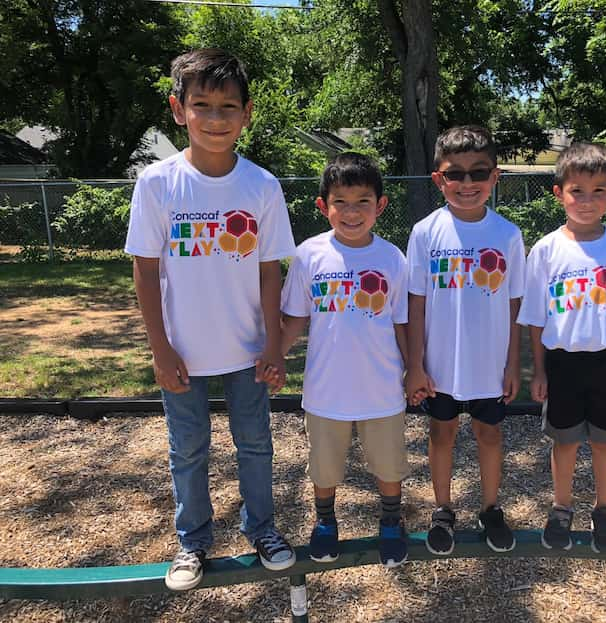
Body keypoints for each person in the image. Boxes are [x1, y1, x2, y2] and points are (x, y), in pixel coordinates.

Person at [125, 48, 297, 591]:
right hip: (183, 351)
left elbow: (271, 272)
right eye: (202, 105)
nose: (216, 118)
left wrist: (273, 343)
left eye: (228, 107)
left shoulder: (262, 187)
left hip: (247, 350)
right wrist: (160, 347)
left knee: (255, 444)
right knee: (188, 448)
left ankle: (263, 529)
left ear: (247, 113)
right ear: (179, 110)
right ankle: (193, 541)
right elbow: (146, 269)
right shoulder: (157, 183)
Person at [518, 142, 606, 555]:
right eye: (576, 190)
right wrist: (539, 370)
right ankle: (561, 507)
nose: (586, 200)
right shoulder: (546, 250)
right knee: (564, 442)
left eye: (598, 190)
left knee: (605, 442)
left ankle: (604, 509)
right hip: (562, 363)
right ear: (558, 193)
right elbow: (537, 317)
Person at [281, 152, 411, 568]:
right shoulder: (308, 255)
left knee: (388, 462)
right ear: (323, 206)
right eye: (341, 202)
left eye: (362, 202)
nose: (351, 212)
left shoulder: (393, 258)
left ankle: (390, 522)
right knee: (324, 464)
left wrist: (416, 370)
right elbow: (296, 316)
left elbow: (403, 322)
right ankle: (325, 523)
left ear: (380, 206)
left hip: (382, 388)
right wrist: (274, 357)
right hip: (325, 389)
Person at [405, 125, 525, 555]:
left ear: (495, 177)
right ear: (439, 179)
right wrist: (415, 365)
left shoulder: (508, 234)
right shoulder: (424, 232)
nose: (467, 184)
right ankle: (442, 509)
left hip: (489, 364)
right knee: (442, 434)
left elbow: (515, 306)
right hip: (440, 364)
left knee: (489, 435)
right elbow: (415, 304)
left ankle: (491, 507)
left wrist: (514, 364)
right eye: (455, 174)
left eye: (479, 173)